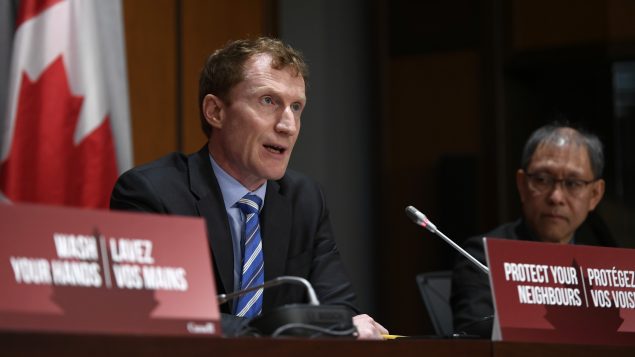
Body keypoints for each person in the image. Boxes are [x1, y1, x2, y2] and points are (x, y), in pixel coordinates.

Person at [110, 37, 387, 339]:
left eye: (297, 107)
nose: (288, 125)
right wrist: (284, 332)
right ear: (215, 111)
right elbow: (163, 314)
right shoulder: (153, 194)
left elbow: (340, 309)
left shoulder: (304, 198)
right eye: (268, 101)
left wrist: (330, 327)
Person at [450, 122, 616, 338]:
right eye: (542, 180)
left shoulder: (608, 270)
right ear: (521, 184)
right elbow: (473, 338)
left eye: (573, 183)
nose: (556, 197)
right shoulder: (482, 256)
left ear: (595, 194)